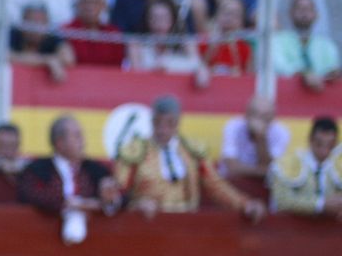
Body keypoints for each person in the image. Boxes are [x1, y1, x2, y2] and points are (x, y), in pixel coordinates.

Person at [116, 94, 264, 220]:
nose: (163, 129)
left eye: (170, 123)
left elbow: (215, 186)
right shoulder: (135, 151)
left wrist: (244, 203)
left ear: (178, 122)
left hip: (186, 224)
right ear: (152, 121)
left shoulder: (192, 152)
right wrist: (136, 205)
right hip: (145, 226)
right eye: (158, 123)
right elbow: (119, 193)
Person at [18, 114, 125, 242]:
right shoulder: (38, 169)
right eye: (77, 136)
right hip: (42, 237)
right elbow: (29, 195)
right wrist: (68, 203)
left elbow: (123, 197)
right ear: (60, 143)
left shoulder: (96, 170)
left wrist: (107, 200)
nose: (83, 141)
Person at [268, 115, 342, 218]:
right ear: (310, 140)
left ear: (335, 144)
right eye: (319, 144)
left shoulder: (339, 166)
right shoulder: (288, 164)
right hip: (292, 231)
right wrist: (320, 205)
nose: (324, 151)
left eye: (330, 145)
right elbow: (281, 200)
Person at [126, 0, 209, 86]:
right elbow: (136, 75)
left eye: (164, 17)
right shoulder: (136, 43)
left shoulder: (185, 42)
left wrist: (167, 64)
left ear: (173, 20)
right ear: (147, 20)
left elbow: (200, 70)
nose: (159, 23)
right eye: (154, 17)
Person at [271, 0, 342, 91]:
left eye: (309, 9)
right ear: (290, 13)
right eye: (299, 8)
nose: (304, 12)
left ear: (316, 14)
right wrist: (304, 74)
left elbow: (331, 71)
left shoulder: (327, 45)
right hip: (288, 96)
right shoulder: (277, 41)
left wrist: (333, 74)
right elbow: (279, 67)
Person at [219, 95, 290, 180]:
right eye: (255, 114)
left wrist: (260, 137)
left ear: (272, 117)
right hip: (232, 181)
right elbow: (231, 167)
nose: (258, 120)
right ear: (246, 114)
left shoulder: (281, 132)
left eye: (264, 116)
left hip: (262, 185)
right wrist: (262, 171)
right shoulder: (233, 126)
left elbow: (270, 167)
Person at [63, 0, 127, 66]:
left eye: (95, 2)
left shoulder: (114, 34)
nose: (90, 6)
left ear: (103, 6)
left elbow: (117, 67)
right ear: (78, 5)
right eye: (85, 1)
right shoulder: (66, 31)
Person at [12, 2, 77, 83]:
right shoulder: (14, 34)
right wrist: (47, 60)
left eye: (40, 23)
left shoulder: (52, 36)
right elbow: (5, 56)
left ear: (47, 23)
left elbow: (68, 59)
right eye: (31, 22)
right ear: (23, 22)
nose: (35, 28)